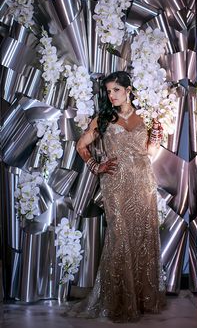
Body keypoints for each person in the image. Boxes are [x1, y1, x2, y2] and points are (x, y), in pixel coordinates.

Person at [71, 71, 166, 322]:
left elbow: (149, 152)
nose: (111, 95)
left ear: (128, 90)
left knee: (142, 236)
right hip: (115, 184)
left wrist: (156, 135)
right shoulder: (103, 117)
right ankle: (118, 301)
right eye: (108, 91)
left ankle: (142, 298)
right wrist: (96, 166)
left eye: (115, 90)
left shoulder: (144, 115)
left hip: (142, 182)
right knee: (119, 236)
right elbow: (81, 145)